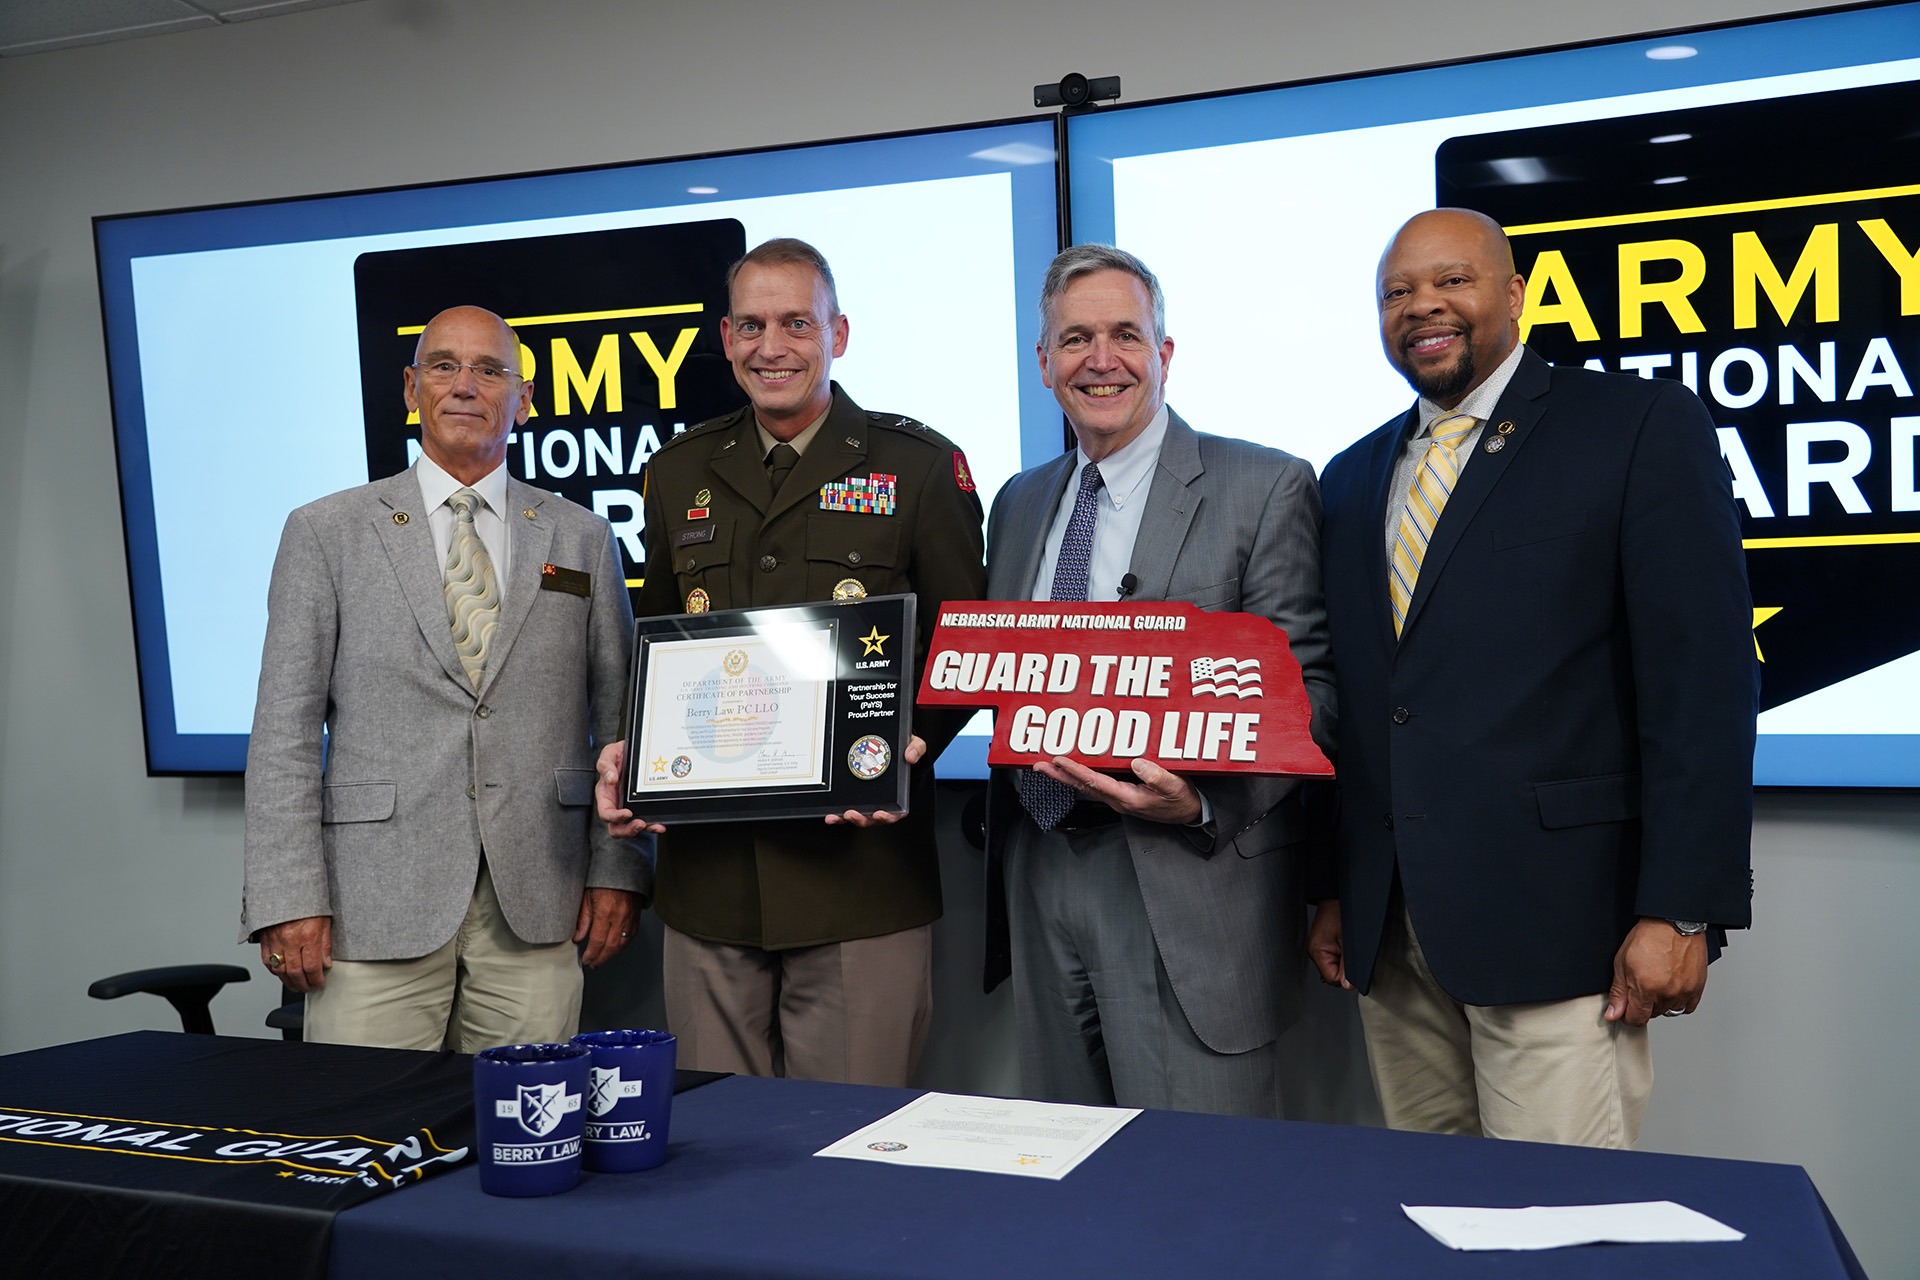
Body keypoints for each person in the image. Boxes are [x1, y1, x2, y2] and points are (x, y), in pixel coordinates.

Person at [1308, 208, 1757, 1147]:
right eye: (1397, 292)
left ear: (1514, 294)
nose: (1423, 306)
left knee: (1560, 1228)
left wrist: (1681, 906)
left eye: (1452, 281)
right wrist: (1336, 887)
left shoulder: (1634, 427)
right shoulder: (1350, 478)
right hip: (1394, 937)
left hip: (1564, 930)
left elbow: (1702, 685)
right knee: (1429, 1211)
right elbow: (1364, 706)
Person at [595, 238, 986, 1087]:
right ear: (725, 339)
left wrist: (908, 748)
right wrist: (638, 753)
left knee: (846, 1150)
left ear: (837, 333)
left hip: (859, 880)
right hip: (711, 886)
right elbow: (658, 645)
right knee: (715, 1148)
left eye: (796, 323)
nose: (772, 347)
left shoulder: (917, 468)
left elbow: (964, 643)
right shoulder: (676, 470)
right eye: (751, 325)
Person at [982, 244, 1334, 1117]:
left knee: (1198, 1191)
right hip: (1039, 862)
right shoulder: (1019, 501)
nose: (1100, 361)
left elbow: (1314, 698)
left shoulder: (1265, 486)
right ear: (1043, 364)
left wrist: (1207, 802)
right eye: (1075, 340)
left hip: (1187, 871)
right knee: (1062, 1161)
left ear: (1164, 355)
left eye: (1125, 336)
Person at [242, 305, 644, 1051]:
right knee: (365, 1138)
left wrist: (619, 869)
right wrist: (287, 896)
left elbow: (622, 724)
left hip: (539, 895)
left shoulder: (581, 538)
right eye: (444, 366)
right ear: (410, 387)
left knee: (525, 1142)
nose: (466, 385)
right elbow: (283, 734)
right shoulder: (326, 532)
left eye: (490, 370)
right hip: (372, 904)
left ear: (523, 401)